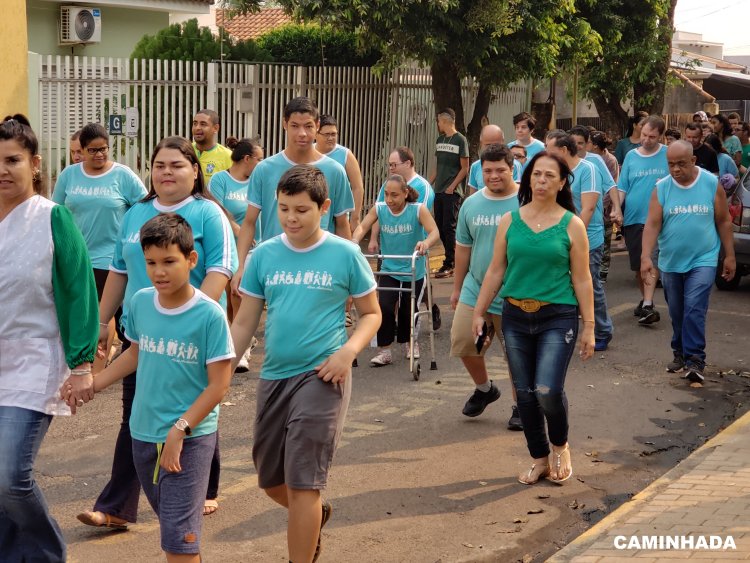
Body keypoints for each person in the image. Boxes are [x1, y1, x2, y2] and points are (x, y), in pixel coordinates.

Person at [77, 136, 237, 530]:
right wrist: (102, 320)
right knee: (136, 418)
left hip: (192, 338)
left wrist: (189, 317)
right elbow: (120, 269)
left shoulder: (207, 214)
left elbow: (220, 269)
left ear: (194, 171)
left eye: (177, 165)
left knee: (197, 411)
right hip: (141, 335)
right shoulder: (136, 213)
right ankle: (117, 506)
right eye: (160, 165)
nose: (167, 172)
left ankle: (203, 486)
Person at [231, 165, 381, 563]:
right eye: (283, 209)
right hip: (274, 376)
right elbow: (245, 320)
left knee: (303, 484)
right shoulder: (264, 255)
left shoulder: (344, 253)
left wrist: (349, 352)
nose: (291, 218)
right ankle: (314, 515)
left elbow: (371, 314)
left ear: (324, 207)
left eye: (301, 210)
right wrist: (221, 366)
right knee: (269, 479)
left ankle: (304, 537)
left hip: (323, 376)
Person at [64, 214, 234, 563]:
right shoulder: (140, 302)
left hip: (189, 438)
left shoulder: (209, 315)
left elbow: (220, 385)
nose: (159, 271)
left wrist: (180, 429)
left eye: (169, 261)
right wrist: (96, 384)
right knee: (175, 532)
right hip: (142, 434)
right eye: (151, 263)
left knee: (178, 542)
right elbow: (136, 353)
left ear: (191, 260)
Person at [0, 114, 98, 562]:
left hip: (35, 362)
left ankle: (45, 554)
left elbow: (80, 293)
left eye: (12, 160)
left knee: (9, 476)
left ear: (35, 164)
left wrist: (81, 366)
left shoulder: (52, 218)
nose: (3, 169)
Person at [472, 151, 594, 486]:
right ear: (528, 179)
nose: (541, 181)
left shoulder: (573, 225)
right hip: (514, 316)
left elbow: (583, 279)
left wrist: (590, 327)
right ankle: (539, 458)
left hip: (558, 316)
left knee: (547, 390)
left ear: (562, 182)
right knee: (524, 394)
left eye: (549, 176)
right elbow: (496, 270)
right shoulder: (511, 221)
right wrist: (479, 312)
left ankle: (560, 446)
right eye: (536, 175)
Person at [232, 97, 354, 296]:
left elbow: (342, 224)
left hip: (321, 268)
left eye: (308, 126)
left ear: (317, 126)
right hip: (276, 267)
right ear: (284, 124)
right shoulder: (264, 169)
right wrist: (240, 266)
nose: (302, 133)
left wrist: (349, 272)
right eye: (295, 126)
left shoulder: (335, 170)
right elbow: (249, 222)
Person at [52, 122, 148, 373]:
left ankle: (99, 370)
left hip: (112, 260)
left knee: (108, 316)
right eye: (93, 150)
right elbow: (56, 212)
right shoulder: (69, 175)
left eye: (104, 149)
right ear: (81, 150)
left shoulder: (123, 175)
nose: (100, 154)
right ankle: (83, 366)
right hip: (77, 259)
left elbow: (145, 209)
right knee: (81, 316)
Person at [641, 140, 735, 384]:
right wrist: (645, 257)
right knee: (677, 310)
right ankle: (680, 352)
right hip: (671, 261)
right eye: (670, 164)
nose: (675, 170)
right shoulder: (661, 188)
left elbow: (724, 221)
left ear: (693, 161)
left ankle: (695, 359)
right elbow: (652, 224)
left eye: (681, 164)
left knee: (694, 306)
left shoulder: (710, 184)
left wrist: (730, 255)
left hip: (703, 258)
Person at [449, 144, 523, 430]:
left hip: (514, 293)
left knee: (515, 354)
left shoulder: (525, 202)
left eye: (500, 170)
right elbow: (462, 249)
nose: (494, 176)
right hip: (475, 288)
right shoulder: (471, 204)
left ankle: (520, 406)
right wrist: (456, 288)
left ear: (512, 168)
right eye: (488, 170)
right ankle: (484, 389)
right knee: (464, 342)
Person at [352, 174, 439, 365]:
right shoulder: (381, 209)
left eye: (395, 195)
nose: (389, 200)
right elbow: (364, 225)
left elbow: (434, 231)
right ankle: (385, 350)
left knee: (409, 309)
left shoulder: (417, 209)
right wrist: (355, 241)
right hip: (389, 268)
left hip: (413, 268)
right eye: (386, 195)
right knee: (384, 308)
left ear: (405, 193)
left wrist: (425, 243)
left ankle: (410, 343)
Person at [546, 131, 613, 351]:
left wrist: (573, 235)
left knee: (590, 285)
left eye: (550, 149)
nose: (546, 153)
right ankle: (566, 329)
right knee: (564, 286)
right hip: (560, 237)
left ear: (564, 150)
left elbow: (589, 207)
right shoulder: (556, 172)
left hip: (588, 237)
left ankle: (602, 330)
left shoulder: (588, 169)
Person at [208, 137, 264, 371]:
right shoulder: (221, 180)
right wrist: (237, 228)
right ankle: (237, 339)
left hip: (254, 247)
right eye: (259, 159)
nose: (262, 163)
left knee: (239, 294)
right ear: (247, 159)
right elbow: (217, 209)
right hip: (228, 245)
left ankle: (242, 346)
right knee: (232, 295)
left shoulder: (259, 180)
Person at [618, 115, 669, 325]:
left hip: (659, 219)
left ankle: (648, 303)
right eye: (644, 135)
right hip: (633, 218)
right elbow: (622, 186)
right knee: (639, 264)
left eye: (652, 137)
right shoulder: (631, 156)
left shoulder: (667, 155)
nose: (646, 140)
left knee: (651, 259)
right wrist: (616, 210)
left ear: (661, 136)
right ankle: (645, 300)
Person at [429, 108, 469, 278]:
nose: (438, 124)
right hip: (439, 189)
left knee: (449, 226)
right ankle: (450, 259)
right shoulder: (440, 139)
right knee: (439, 226)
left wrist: (452, 186)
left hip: (452, 191)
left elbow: (465, 168)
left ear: (445, 121)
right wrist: (428, 183)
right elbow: (438, 167)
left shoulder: (461, 140)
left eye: (439, 121)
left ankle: (450, 262)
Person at [315, 114, 365, 230]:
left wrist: (355, 218)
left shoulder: (345, 155)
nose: (331, 138)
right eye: (327, 134)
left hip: (338, 216)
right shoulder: (308, 152)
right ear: (316, 134)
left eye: (334, 134)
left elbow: (358, 187)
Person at [587, 130, 620, 282]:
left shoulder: (609, 160)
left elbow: (611, 184)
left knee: (605, 239)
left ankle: (603, 270)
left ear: (594, 146)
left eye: (586, 143)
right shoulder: (586, 158)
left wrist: (606, 204)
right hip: (592, 204)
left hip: (604, 207)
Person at [467, 124, 522, 195]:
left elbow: (517, 194)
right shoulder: (475, 166)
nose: (492, 148)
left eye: (496, 144)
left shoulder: (514, 165)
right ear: (481, 144)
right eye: (488, 145)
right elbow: (472, 195)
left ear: (503, 142)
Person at [375, 146, 435, 211]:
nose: (391, 168)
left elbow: (419, 218)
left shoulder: (423, 188)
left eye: (394, 164)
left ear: (407, 164)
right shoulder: (387, 184)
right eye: (390, 165)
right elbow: (377, 211)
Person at [191, 109, 233, 184]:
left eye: (203, 124)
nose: (197, 128)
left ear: (216, 128)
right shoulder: (185, 150)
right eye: (195, 123)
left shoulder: (228, 156)